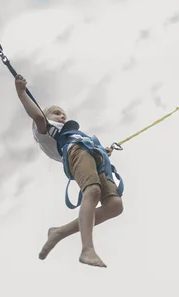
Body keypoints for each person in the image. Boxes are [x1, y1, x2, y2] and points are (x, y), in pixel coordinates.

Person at [15, 74, 124, 268]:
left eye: (63, 114)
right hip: (76, 152)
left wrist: (102, 151)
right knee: (92, 191)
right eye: (56, 113)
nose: (62, 116)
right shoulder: (47, 130)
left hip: (93, 156)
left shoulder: (72, 133)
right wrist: (22, 93)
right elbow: (38, 116)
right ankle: (87, 249)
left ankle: (58, 232)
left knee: (115, 205)